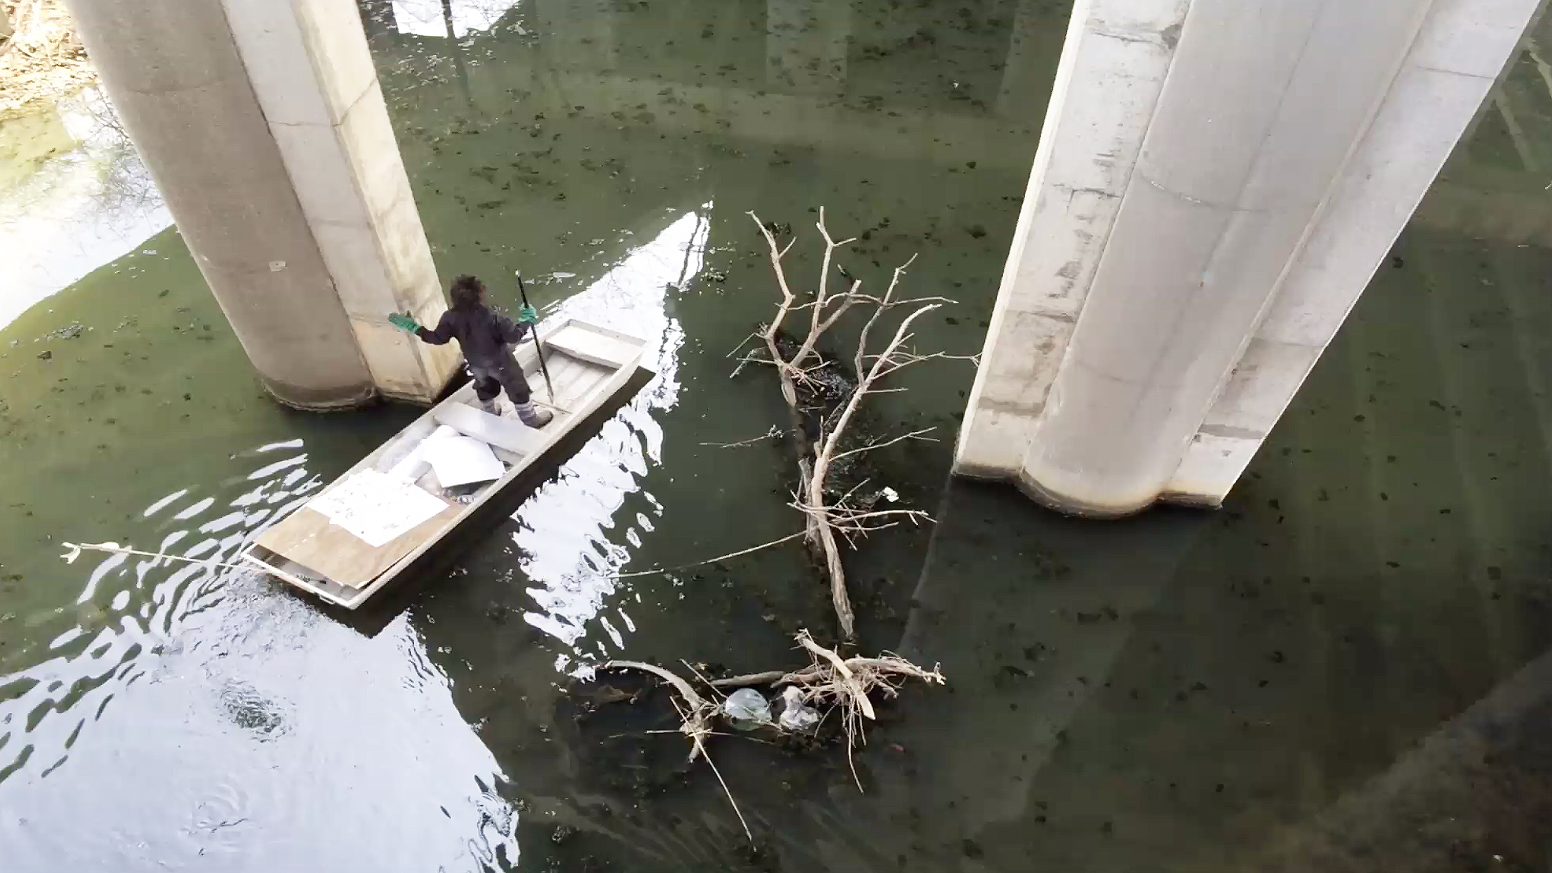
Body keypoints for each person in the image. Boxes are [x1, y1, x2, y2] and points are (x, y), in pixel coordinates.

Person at [388, 275, 553, 428]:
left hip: (476, 363)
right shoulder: (492, 316)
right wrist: (526, 321)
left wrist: (415, 327)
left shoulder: (449, 317)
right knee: (517, 386)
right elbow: (514, 336)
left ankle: (490, 412)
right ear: (480, 295)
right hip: (501, 363)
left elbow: (438, 338)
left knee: (484, 386)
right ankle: (530, 419)